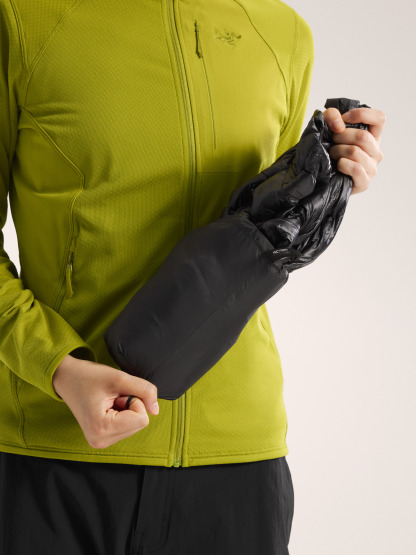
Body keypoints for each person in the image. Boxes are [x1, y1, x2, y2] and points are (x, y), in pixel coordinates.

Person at [0, 1, 385, 554]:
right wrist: (59, 367)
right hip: (56, 454)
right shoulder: (25, 19)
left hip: (239, 464)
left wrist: (331, 174)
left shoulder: (282, 33)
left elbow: (254, 236)